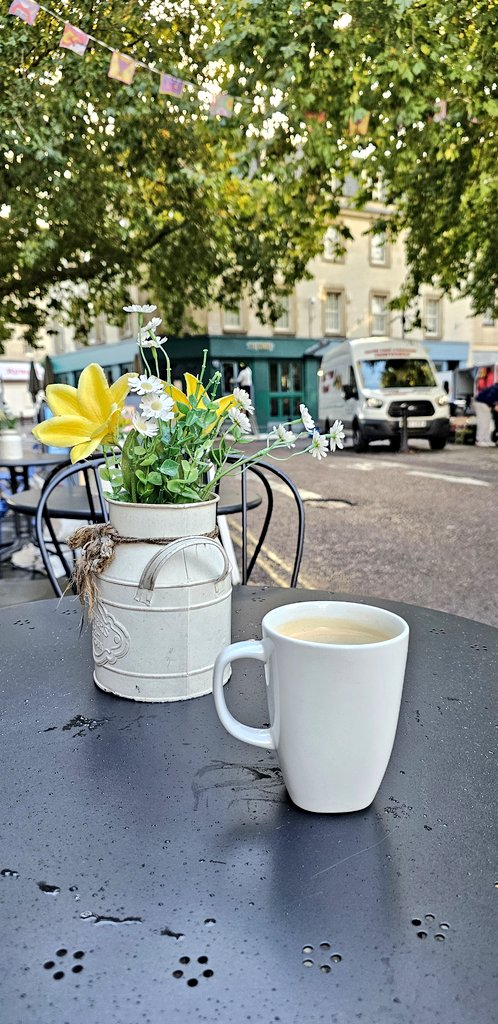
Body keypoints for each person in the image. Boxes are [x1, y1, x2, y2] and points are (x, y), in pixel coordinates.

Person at [474, 383, 498, 447]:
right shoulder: (496, 388)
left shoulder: (495, 387)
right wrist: (494, 406)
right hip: (481, 403)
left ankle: (487, 440)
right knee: (483, 422)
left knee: (487, 422)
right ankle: (480, 440)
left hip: (484, 404)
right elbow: (489, 399)